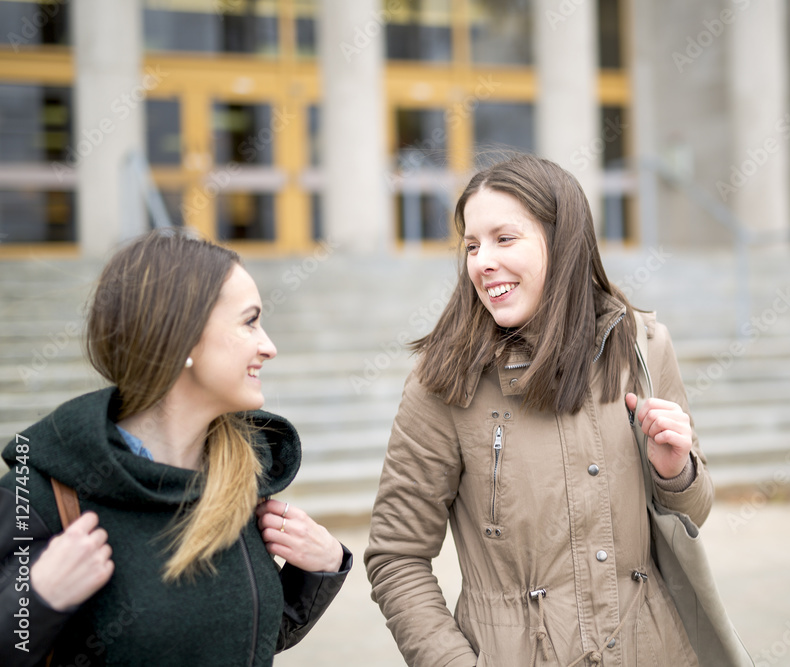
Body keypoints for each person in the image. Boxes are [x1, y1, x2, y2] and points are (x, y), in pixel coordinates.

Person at [365, 154, 714, 666]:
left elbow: (695, 515)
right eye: (472, 245)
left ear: (563, 240)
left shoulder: (644, 345)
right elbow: (397, 557)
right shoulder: (442, 381)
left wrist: (676, 472)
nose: (482, 261)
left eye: (504, 239)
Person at [0, 230, 352, 666]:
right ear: (182, 337)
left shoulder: (241, 481)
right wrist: (38, 600)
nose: (269, 346)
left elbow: (235, 642)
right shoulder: (38, 494)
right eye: (249, 321)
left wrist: (317, 571)